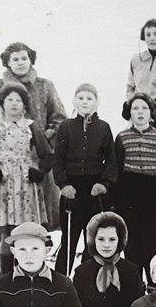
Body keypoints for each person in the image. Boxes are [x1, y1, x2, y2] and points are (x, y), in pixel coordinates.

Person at [0, 42, 65, 230]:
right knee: (2, 220)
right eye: (14, 59)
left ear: (31, 59)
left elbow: (59, 118)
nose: (20, 63)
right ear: (7, 63)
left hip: (37, 160)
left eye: (24, 58)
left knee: (38, 214)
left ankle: (37, 252)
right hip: (5, 163)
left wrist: (42, 140)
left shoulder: (45, 86)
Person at [0, 83, 54, 277]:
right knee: (4, 231)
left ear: (24, 105)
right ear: (2, 104)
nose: (14, 104)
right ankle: (4, 275)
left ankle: (25, 270)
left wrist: (40, 171)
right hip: (2, 183)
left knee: (20, 230)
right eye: (9, 100)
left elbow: (47, 154)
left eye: (18, 100)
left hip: (25, 185)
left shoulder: (30, 126)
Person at [52, 84, 117, 274]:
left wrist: (104, 184)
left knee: (93, 239)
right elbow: (58, 160)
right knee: (69, 239)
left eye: (89, 98)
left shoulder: (103, 127)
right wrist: (63, 184)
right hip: (72, 191)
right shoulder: (65, 127)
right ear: (74, 101)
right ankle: (60, 281)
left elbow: (111, 161)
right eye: (80, 98)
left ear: (97, 102)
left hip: (94, 192)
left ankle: (87, 279)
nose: (85, 102)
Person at [113, 93, 156, 282]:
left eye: (144, 108)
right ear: (129, 113)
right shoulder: (122, 137)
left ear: (152, 113)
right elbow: (117, 172)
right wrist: (116, 203)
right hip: (128, 196)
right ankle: (135, 289)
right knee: (132, 247)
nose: (140, 112)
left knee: (153, 245)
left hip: (152, 195)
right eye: (135, 108)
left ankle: (155, 287)